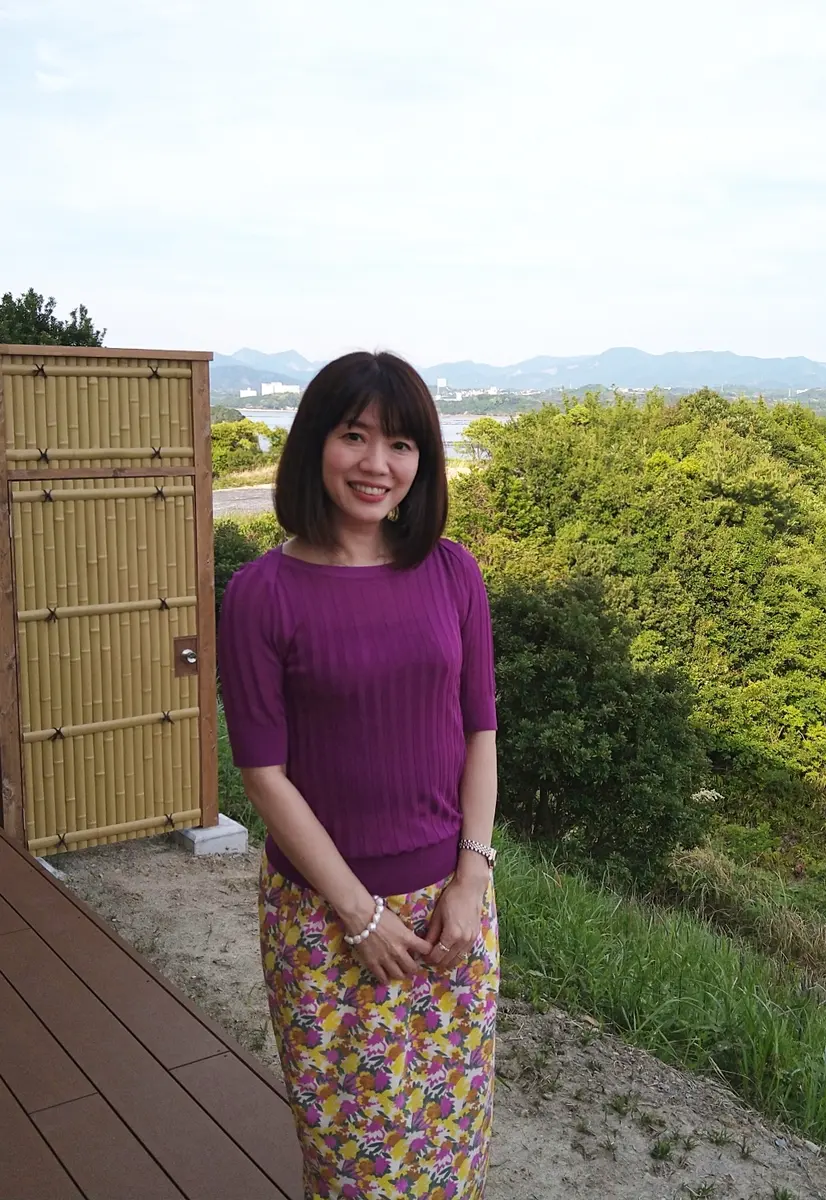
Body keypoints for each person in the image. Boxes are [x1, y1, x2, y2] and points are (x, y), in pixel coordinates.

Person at [217, 350, 499, 1200]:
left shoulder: (453, 573)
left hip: (451, 914)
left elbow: (481, 730)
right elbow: (264, 773)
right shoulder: (263, 593)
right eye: (355, 436)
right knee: (357, 1163)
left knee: (451, 1149)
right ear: (315, 445)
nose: (379, 464)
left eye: (403, 444)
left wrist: (471, 879)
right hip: (326, 922)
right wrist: (360, 914)